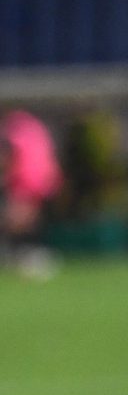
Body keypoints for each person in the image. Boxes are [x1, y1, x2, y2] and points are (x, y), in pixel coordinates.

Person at [0, 109, 63, 279]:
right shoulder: (35, 128)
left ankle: (25, 255)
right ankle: (26, 255)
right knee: (23, 220)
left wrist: (6, 176)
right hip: (43, 179)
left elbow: (11, 154)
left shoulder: (14, 130)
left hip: (27, 180)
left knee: (16, 219)